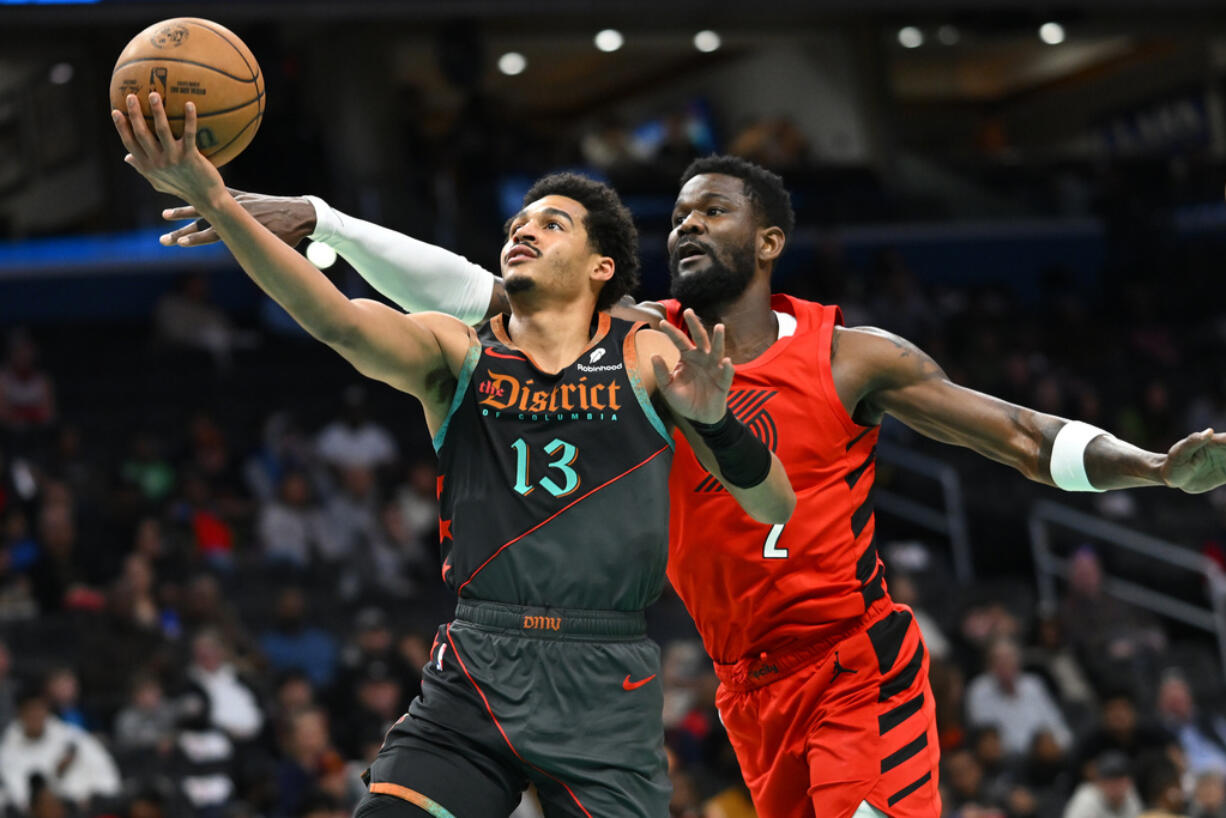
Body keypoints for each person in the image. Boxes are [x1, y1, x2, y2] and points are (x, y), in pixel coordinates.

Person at [159, 151, 1226, 818]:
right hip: (740, 681)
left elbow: (1016, 433)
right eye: (673, 212)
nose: (683, 225)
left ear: (766, 240)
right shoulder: (631, 340)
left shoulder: (850, 356)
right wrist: (325, 221)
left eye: (709, 212)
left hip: (850, 658)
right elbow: (470, 288)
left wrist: (1149, 466)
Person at [113, 93, 793, 818]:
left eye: (550, 224)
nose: (523, 232)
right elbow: (335, 319)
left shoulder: (647, 350)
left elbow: (773, 504)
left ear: (602, 267)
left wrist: (716, 425)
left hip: (604, 677)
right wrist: (220, 203)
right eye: (517, 225)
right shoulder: (456, 350)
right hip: (478, 665)